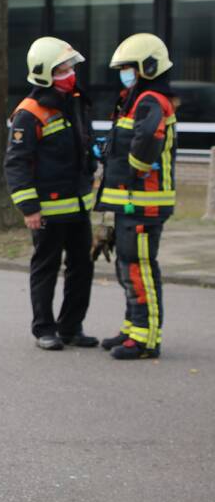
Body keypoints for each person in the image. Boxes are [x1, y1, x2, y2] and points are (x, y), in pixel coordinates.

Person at [4, 37, 98, 351]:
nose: (71, 72)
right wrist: (29, 207)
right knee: (46, 267)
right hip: (46, 209)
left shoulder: (75, 100)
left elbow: (85, 144)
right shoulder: (29, 114)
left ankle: (71, 327)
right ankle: (44, 328)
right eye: (63, 68)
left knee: (82, 267)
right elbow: (16, 163)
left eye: (71, 66)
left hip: (78, 205)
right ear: (45, 73)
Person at [94, 33, 177, 360]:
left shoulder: (150, 100)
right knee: (127, 267)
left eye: (129, 67)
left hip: (145, 201)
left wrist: (131, 170)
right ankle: (133, 328)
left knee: (140, 267)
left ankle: (146, 339)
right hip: (131, 200)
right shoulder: (135, 98)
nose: (125, 73)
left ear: (148, 67)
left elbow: (147, 141)